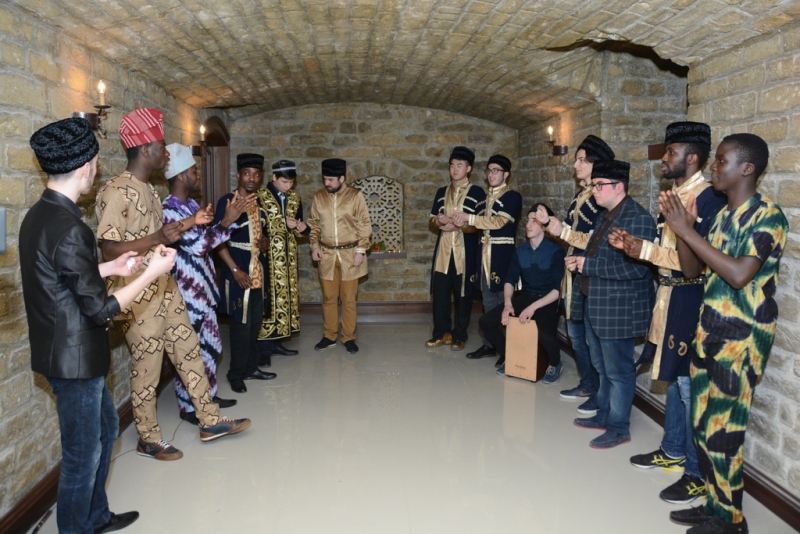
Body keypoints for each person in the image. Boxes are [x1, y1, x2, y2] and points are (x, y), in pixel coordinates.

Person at [20, 117, 175, 533]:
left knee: (106, 430)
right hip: (74, 359)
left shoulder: (41, 215)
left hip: (64, 352)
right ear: (86, 166)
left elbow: (62, 278)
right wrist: (150, 272)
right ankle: (77, 527)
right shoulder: (70, 227)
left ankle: (96, 515)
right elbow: (100, 310)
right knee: (82, 455)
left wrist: (110, 267)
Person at [95, 108, 251, 461]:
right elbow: (108, 249)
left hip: (166, 287)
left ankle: (209, 420)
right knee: (147, 369)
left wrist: (188, 224)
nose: (165, 152)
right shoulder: (116, 191)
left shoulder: (150, 191)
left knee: (190, 354)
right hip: (137, 294)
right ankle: (148, 438)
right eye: (161, 146)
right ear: (145, 149)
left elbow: (167, 234)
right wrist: (158, 237)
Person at [661, 134, 788, 534]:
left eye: (720, 161)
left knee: (724, 435)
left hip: (740, 343)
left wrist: (688, 232)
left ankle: (731, 522)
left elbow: (737, 274)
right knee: (703, 429)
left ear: (746, 169)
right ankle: (716, 507)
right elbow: (692, 271)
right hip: (709, 335)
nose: (713, 167)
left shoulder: (768, 216)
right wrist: (684, 230)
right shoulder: (720, 217)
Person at [611, 122, 725, 505]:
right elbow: (671, 254)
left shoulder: (707, 199)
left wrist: (644, 250)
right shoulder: (676, 193)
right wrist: (638, 246)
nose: (664, 157)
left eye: (671, 151)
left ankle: (695, 473)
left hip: (691, 298)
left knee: (689, 386)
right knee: (675, 379)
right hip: (671, 295)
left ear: (692, 157)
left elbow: (697, 263)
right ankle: (673, 448)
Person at [542, 160, 656, 449]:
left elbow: (637, 269)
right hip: (598, 302)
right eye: (594, 185)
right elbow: (601, 255)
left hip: (619, 308)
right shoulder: (606, 215)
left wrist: (587, 265)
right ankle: (604, 414)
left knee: (619, 371)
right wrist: (581, 261)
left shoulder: (637, 218)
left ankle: (619, 427)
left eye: (599, 185)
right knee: (603, 368)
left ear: (619, 187)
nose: (594, 190)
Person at [162, 143, 256, 424]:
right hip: (188, 294)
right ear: (181, 176)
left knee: (211, 348)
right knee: (189, 354)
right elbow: (199, 246)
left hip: (205, 292)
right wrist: (225, 222)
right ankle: (188, 406)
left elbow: (208, 239)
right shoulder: (170, 210)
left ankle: (208, 396)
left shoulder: (192, 206)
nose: (198, 175)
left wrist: (226, 221)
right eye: (194, 171)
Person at [555, 136, 614, 412]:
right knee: (576, 334)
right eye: (576, 159)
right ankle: (588, 383)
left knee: (590, 337)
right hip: (574, 271)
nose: (575, 165)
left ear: (595, 164)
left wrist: (562, 232)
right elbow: (569, 227)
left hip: (589, 272)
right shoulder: (581, 195)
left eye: (581, 160)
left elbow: (594, 239)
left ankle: (600, 391)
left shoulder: (600, 199)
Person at [451, 154, 522, 368]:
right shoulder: (484, 199)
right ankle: (491, 344)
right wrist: (459, 222)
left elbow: (498, 222)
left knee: (504, 303)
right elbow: (475, 226)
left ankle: (511, 349)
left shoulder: (512, 197)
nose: (491, 175)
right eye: (489, 171)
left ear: (506, 174)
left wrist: (469, 218)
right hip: (483, 256)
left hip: (502, 256)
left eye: (496, 171)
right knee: (488, 303)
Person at [215, 153, 277, 393]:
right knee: (240, 327)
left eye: (257, 174)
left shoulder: (258, 203)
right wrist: (234, 270)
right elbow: (217, 240)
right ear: (238, 175)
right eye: (247, 173)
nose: (252, 178)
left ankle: (251, 368)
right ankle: (235, 373)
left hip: (257, 271)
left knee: (254, 323)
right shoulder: (227, 201)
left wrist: (265, 243)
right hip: (238, 271)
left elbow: (261, 236)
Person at [480, 205, 565, 378]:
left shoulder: (556, 251)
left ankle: (555, 363)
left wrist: (533, 308)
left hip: (548, 300)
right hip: (527, 296)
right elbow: (510, 280)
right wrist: (508, 304)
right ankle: (511, 356)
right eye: (527, 220)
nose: (528, 224)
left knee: (543, 332)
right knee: (486, 322)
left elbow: (558, 290)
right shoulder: (520, 251)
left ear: (544, 226)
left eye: (534, 221)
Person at [426, 146, 486, 351]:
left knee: (463, 296)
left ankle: (459, 335)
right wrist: (439, 220)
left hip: (464, 252)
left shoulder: (477, 192)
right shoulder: (441, 192)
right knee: (440, 294)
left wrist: (460, 226)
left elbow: (479, 224)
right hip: (444, 252)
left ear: (469, 168)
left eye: (459, 165)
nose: (455, 169)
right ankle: (441, 333)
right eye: (452, 165)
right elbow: (432, 219)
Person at [308, 158, 371, 354]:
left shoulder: (355, 196)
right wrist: (314, 246)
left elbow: (364, 224)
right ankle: (329, 336)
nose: (327, 183)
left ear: (342, 179)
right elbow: (314, 224)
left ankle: (349, 337)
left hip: (350, 255)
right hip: (326, 256)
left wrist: (360, 251)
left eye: (331, 180)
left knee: (349, 299)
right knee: (328, 298)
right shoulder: (319, 197)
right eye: (325, 179)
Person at [255, 159, 310, 365]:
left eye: (291, 182)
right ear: (273, 177)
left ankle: (277, 341)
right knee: (268, 300)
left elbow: (299, 227)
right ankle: (263, 348)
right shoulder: (260, 196)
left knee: (285, 298)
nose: (288, 186)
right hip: (266, 257)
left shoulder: (295, 197)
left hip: (288, 258)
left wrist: (303, 228)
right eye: (284, 182)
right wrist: (282, 222)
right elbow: (257, 227)